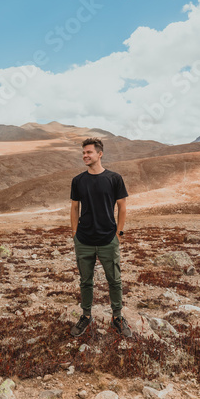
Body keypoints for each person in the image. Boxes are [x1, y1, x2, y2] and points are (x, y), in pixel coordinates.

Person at [70, 137, 132, 338]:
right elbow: (74, 207)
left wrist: (119, 233)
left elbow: (122, 206)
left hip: (108, 240)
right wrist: (74, 234)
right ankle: (86, 315)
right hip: (84, 240)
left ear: (100, 154)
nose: (85, 156)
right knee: (85, 281)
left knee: (114, 280)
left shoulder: (114, 179)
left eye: (89, 152)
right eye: (83, 153)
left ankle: (117, 317)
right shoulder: (78, 180)